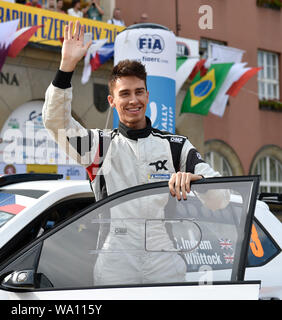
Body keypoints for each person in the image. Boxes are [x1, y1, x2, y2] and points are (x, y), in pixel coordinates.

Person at [42, 21, 226, 284]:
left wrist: (199, 184)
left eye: (139, 92)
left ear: (148, 96)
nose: (133, 100)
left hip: (166, 260)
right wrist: (66, 67)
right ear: (112, 101)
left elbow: (221, 198)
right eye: (124, 94)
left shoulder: (176, 146)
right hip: (115, 261)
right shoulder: (98, 146)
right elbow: (55, 122)